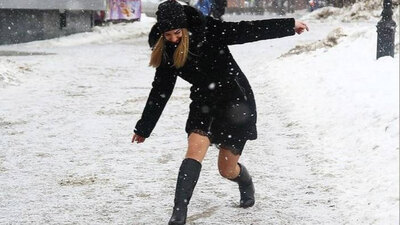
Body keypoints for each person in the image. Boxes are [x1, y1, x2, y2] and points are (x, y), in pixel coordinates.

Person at [131, 1, 308, 224]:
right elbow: (160, 92)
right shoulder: (166, 50)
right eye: (168, 34)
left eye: (177, 33)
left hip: (235, 101)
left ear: (185, 27)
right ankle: (179, 212)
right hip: (204, 102)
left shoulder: (210, 31)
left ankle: (244, 181)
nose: (174, 39)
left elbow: (247, 30)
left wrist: (289, 25)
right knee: (194, 150)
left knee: (226, 169)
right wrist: (144, 128)